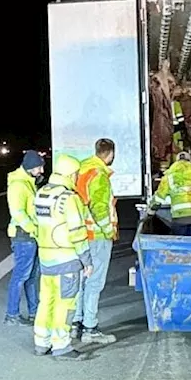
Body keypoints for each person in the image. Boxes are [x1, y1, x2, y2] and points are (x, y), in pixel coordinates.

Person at [33, 154, 93, 359]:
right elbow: (77, 231)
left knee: (46, 301)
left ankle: (42, 342)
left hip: (45, 258)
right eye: (76, 174)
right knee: (65, 304)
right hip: (66, 259)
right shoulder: (69, 198)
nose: (77, 178)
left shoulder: (41, 193)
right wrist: (86, 259)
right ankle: (62, 345)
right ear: (70, 174)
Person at [72, 139, 119, 344]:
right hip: (98, 236)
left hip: (82, 234)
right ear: (109, 154)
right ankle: (90, 328)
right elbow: (99, 208)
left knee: (82, 280)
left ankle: (76, 323)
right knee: (95, 283)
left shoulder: (82, 170)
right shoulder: (99, 175)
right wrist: (109, 231)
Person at [4, 150, 43, 326]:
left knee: (32, 276)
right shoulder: (19, 185)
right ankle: (12, 315)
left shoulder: (28, 182)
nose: (41, 171)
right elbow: (18, 213)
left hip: (31, 236)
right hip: (23, 235)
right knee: (21, 276)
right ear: (31, 167)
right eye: (39, 167)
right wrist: (34, 229)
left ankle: (35, 312)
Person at [151, 150, 191, 236]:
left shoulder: (169, 175)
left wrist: (151, 211)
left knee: (181, 246)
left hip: (180, 219)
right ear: (190, 161)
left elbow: (158, 198)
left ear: (176, 161)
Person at [171, 88, 187, 156]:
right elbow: (181, 121)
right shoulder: (175, 104)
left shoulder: (160, 104)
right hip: (175, 132)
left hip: (166, 133)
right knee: (177, 154)